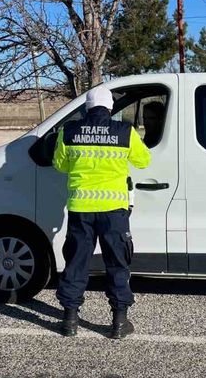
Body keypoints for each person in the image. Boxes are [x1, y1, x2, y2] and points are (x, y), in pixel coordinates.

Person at [53, 87, 151, 339]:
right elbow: (143, 161)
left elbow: (60, 165)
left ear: (87, 108)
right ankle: (119, 322)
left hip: (81, 209)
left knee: (76, 262)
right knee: (117, 262)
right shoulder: (125, 132)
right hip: (113, 211)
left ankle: (69, 320)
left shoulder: (69, 131)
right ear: (110, 108)